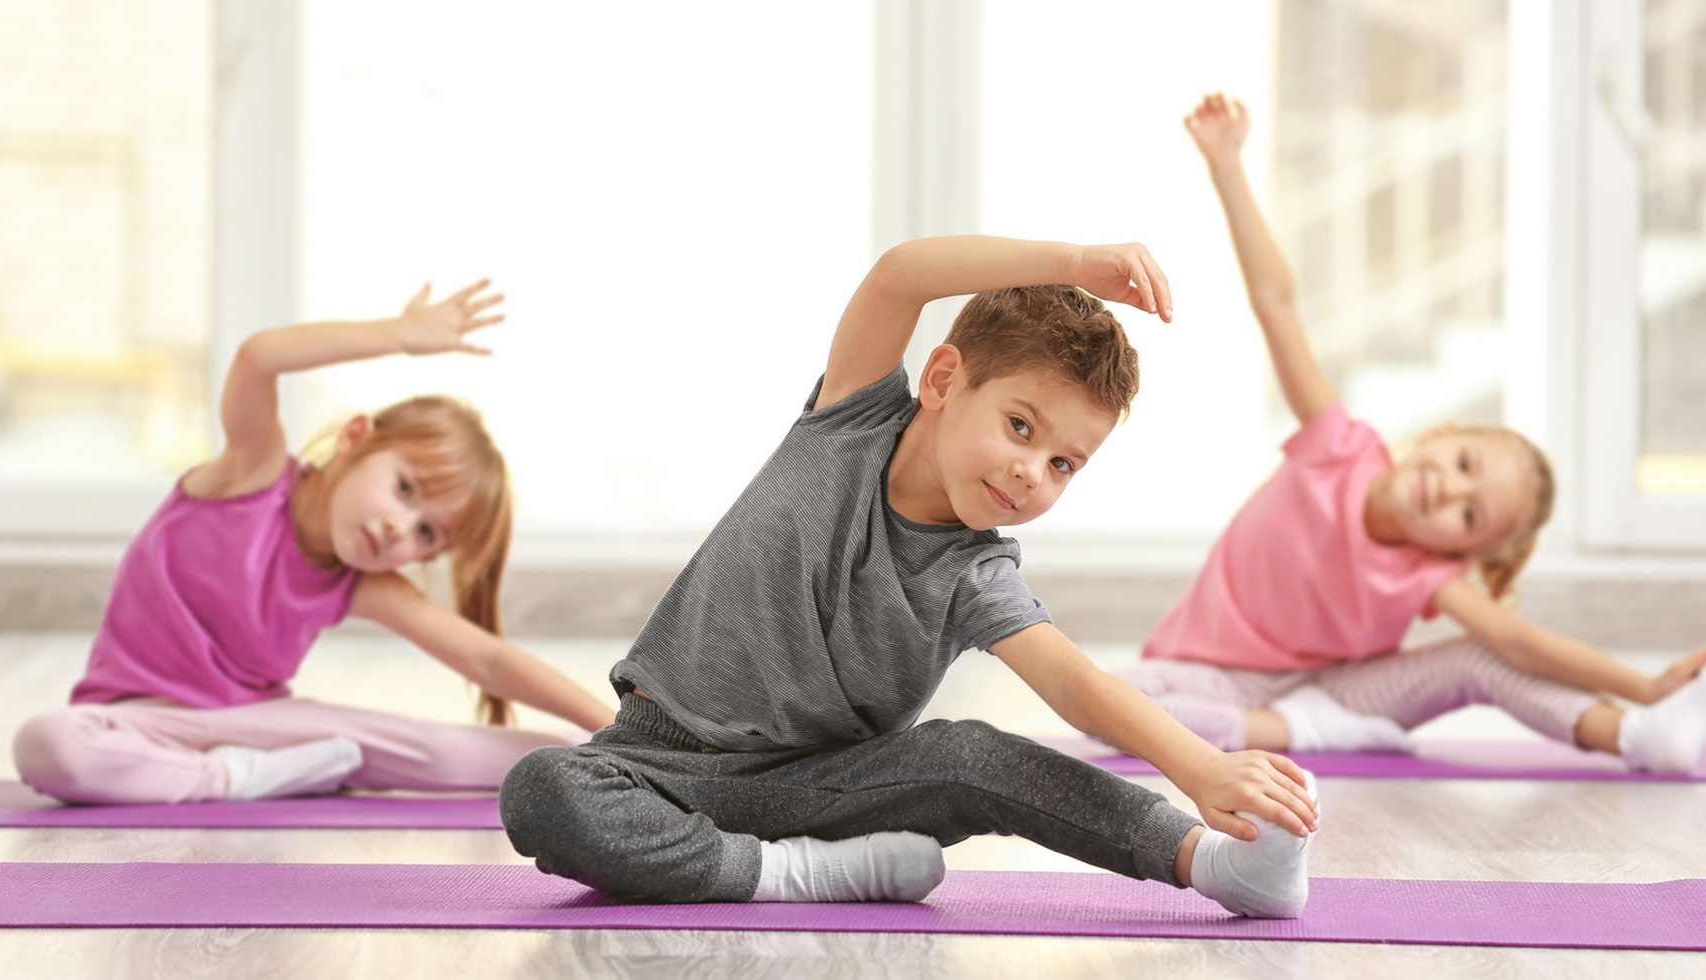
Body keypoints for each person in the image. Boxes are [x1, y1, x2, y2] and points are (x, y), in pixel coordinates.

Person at [498, 235, 1321, 919]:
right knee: (543, 789)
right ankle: (803, 876)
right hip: (653, 763)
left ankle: (1211, 866)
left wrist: (1203, 770)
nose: (1033, 470)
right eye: (1020, 426)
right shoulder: (848, 420)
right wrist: (1069, 264)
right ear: (940, 381)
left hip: (815, 792)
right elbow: (899, 275)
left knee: (970, 756)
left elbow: (1074, 684)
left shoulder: (976, 572)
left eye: (1063, 462)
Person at [1110, 93, 1706, 775]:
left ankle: (1638, 736)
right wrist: (1226, 165)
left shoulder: (1426, 576)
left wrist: (1645, 689)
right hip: (1211, 677)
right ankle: (1292, 729)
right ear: (1438, 434)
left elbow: (1514, 643)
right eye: (1463, 463)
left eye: (1469, 512)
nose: (1449, 490)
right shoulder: (1337, 446)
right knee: (1117, 701)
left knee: (1478, 659)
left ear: (1462, 550)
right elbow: (1276, 304)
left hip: (1342, 693)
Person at [13, 281, 617, 805]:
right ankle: (232, 779)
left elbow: (487, 660)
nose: (397, 530)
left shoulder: (362, 583)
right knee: (49, 745)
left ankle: (630, 765)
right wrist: (401, 334)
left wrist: (615, 729)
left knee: (456, 751)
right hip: (132, 721)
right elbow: (258, 358)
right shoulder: (250, 475)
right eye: (404, 489)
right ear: (355, 437)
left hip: (263, 725)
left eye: (426, 533)